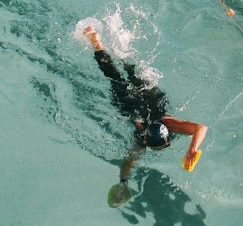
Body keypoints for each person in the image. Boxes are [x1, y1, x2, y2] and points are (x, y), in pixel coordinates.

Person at [82, 24, 207, 206]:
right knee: (116, 75)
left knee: (124, 74)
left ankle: (108, 46)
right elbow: (129, 160)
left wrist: (193, 149)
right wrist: (123, 183)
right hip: (134, 102)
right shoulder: (150, 134)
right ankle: (99, 43)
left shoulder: (166, 123)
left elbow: (201, 128)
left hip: (149, 97)